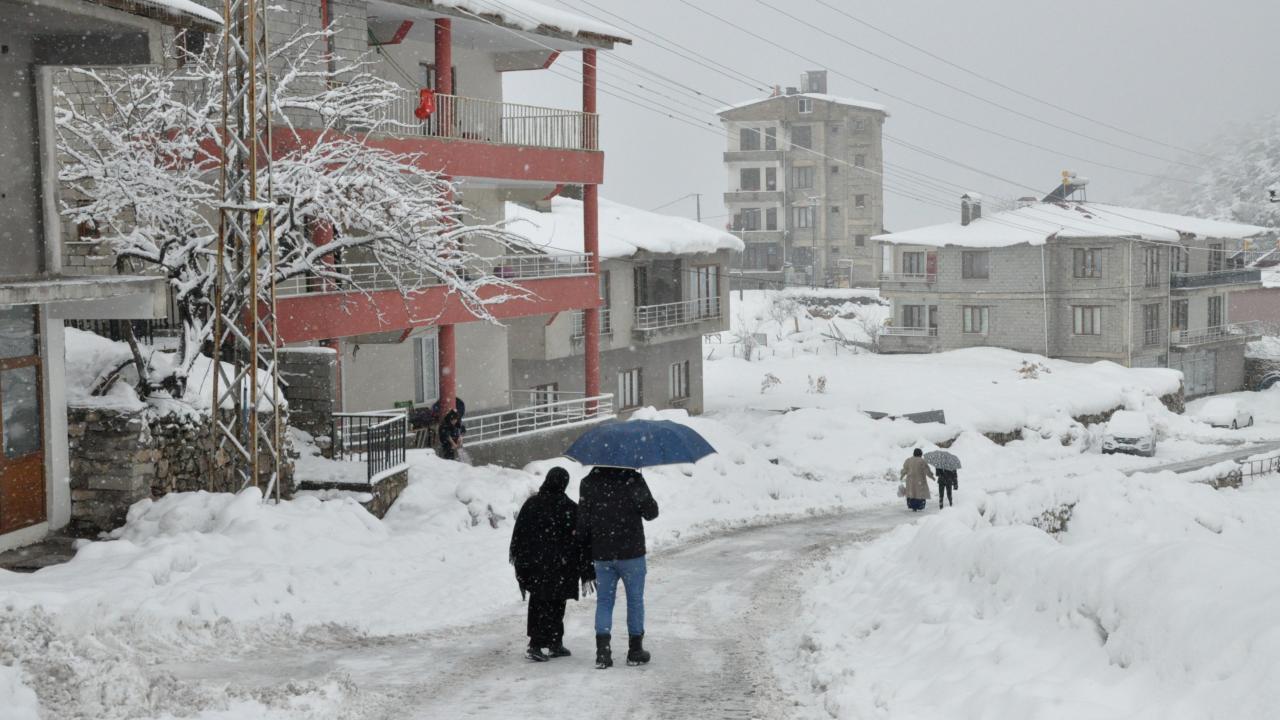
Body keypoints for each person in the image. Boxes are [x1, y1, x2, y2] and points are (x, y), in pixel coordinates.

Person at [509, 467, 595, 662]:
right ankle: (543, 644)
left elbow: (519, 536)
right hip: (561, 567)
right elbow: (581, 540)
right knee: (557, 603)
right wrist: (585, 567)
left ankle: (547, 643)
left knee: (539, 603)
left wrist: (523, 562)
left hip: (537, 565)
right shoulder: (570, 508)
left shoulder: (532, 504)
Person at [577, 466, 660, 669]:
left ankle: (602, 653)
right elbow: (651, 513)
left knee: (604, 602)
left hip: (602, 553)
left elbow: (583, 523)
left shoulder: (588, 482)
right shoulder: (633, 479)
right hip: (631, 553)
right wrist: (642, 493)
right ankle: (635, 651)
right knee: (635, 600)